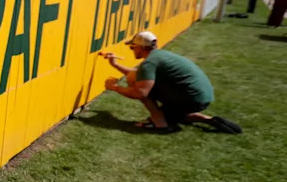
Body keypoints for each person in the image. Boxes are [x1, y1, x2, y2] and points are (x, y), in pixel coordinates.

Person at [101, 31, 242, 133]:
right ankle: (207, 119)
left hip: (190, 99)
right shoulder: (160, 56)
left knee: (136, 83)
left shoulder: (149, 63)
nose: (132, 50)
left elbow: (140, 93)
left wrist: (114, 87)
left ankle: (160, 123)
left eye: (133, 47)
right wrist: (115, 65)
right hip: (202, 98)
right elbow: (140, 74)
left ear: (142, 47)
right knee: (171, 115)